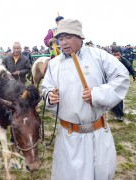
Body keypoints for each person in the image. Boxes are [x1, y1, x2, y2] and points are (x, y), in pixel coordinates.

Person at [41, 19, 130, 180]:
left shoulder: (99, 56)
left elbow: (122, 77)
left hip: (97, 133)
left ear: (80, 37)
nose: (63, 42)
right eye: (60, 38)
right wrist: (50, 97)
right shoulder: (54, 65)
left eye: (68, 37)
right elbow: (45, 89)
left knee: (101, 175)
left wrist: (97, 94)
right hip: (69, 138)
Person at [111, 46, 136, 121]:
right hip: (111, 81)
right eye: (114, 54)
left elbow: (130, 67)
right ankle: (114, 109)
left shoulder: (123, 60)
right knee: (112, 96)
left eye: (118, 54)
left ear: (120, 54)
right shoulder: (109, 60)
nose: (116, 56)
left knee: (119, 96)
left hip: (120, 80)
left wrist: (134, 75)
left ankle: (119, 115)